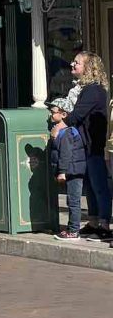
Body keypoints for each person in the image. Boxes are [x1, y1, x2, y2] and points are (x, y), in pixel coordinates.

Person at [55, 51, 112, 239]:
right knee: (89, 185)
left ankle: (104, 224)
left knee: (98, 185)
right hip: (86, 145)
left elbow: (76, 115)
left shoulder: (93, 90)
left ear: (88, 68)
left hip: (93, 145)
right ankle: (94, 221)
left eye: (77, 63)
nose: (72, 64)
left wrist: (58, 126)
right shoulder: (87, 89)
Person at [48, 97, 87, 240]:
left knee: (74, 200)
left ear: (64, 114)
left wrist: (62, 172)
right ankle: (72, 228)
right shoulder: (59, 131)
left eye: (54, 112)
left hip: (73, 170)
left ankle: (73, 231)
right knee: (71, 200)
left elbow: (65, 154)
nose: (51, 115)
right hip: (70, 169)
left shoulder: (68, 132)